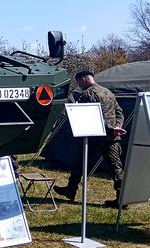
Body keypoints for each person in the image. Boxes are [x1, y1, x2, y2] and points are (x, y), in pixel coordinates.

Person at [53, 70, 127, 208]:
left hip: (95, 135)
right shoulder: (108, 92)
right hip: (111, 137)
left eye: (79, 82)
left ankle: (71, 190)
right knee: (116, 167)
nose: (79, 85)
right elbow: (119, 112)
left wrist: (111, 129)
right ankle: (122, 198)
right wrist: (117, 127)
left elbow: (89, 116)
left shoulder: (89, 94)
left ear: (85, 79)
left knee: (80, 162)